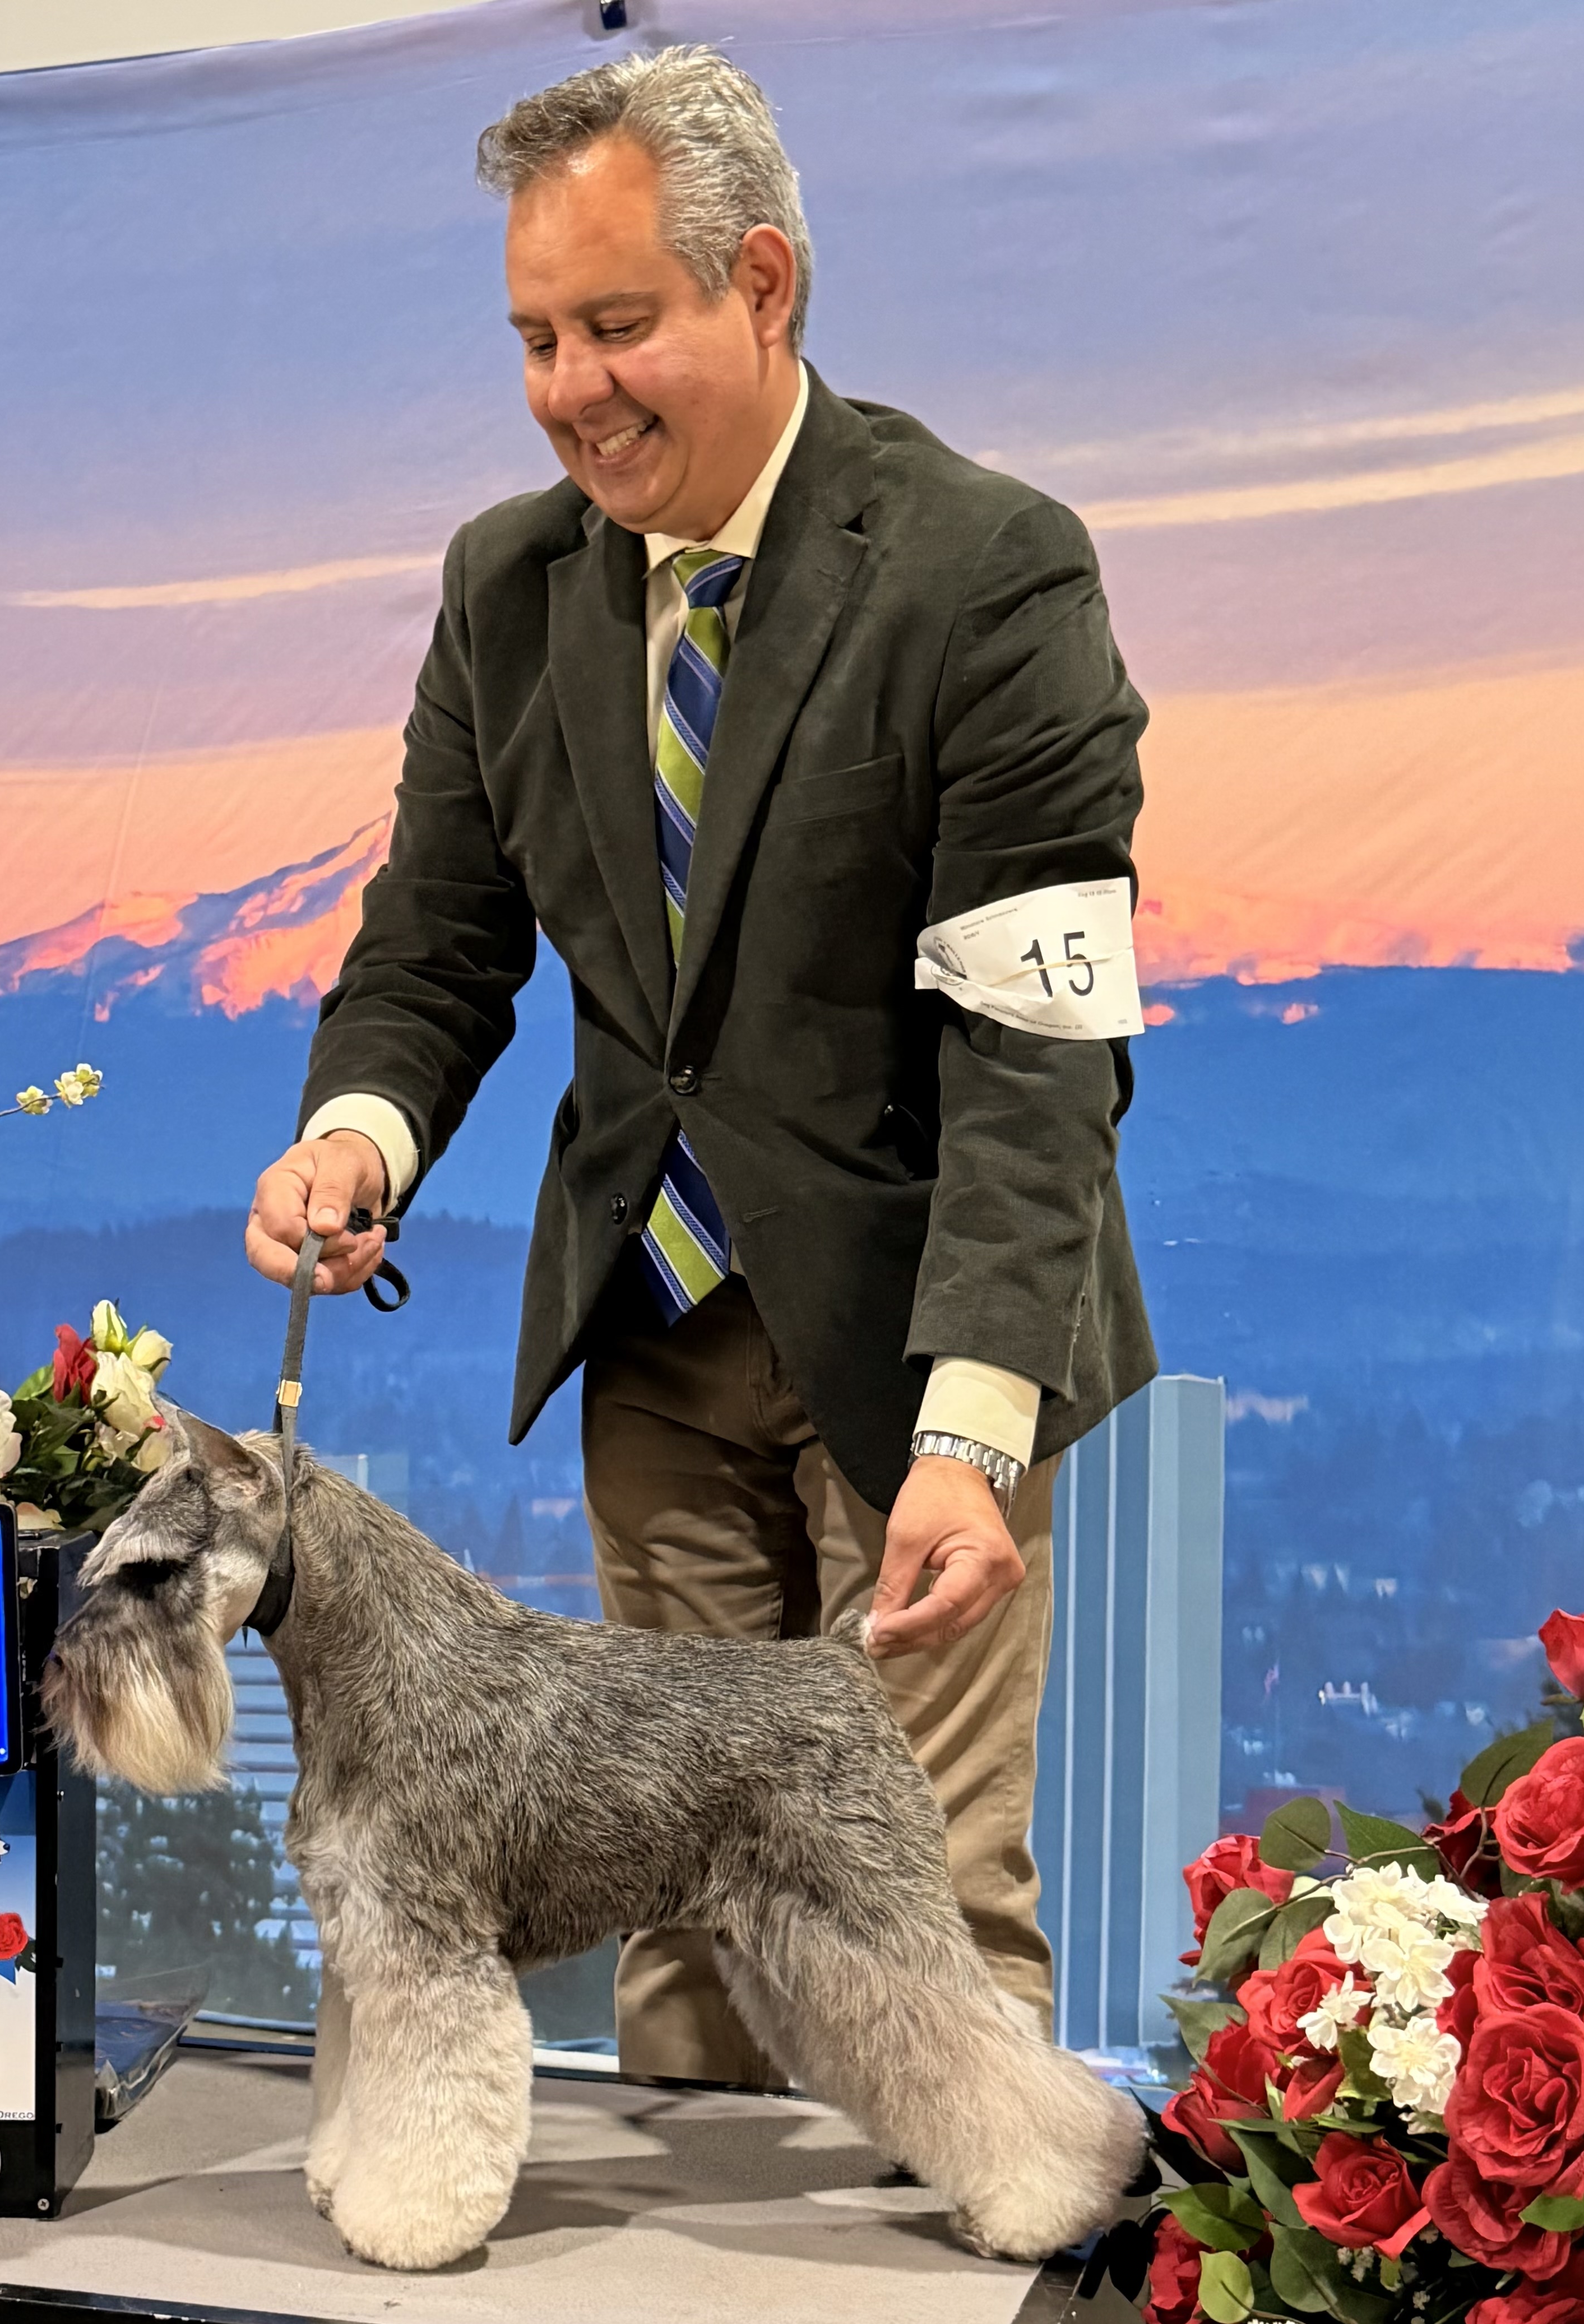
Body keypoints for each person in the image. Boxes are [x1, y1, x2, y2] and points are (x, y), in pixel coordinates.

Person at [244, 47, 1153, 2077]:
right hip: (651, 1342)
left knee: (914, 1899)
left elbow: (1035, 1048)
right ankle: (687, 2284)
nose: (571, 388)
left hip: (926, 1350)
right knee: (670, 1906)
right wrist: (358, 1134)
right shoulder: (502, 587)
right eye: (535, 340)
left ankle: (943, 2272)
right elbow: (438, 940)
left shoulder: (987, 568)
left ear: (762, 284)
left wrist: (970, 1437)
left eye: (616, 325)